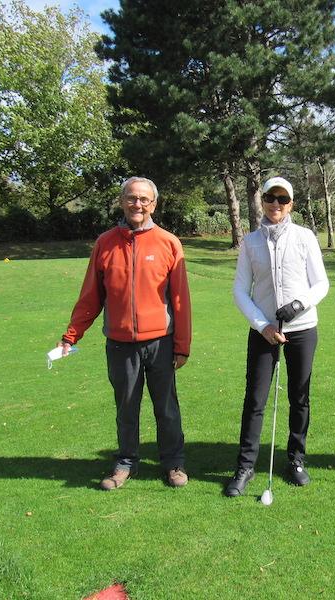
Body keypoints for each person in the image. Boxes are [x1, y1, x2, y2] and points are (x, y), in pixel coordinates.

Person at [57, 177, 192, 491]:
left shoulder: (169, 243)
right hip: (120, 344)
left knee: (167, 408)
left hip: (161, 341)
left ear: (154, 204)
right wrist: (71, 336)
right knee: (126, 407)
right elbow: (91, 296)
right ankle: (125, 463)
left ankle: (173, 463)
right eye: (132, 198)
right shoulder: (105, 242)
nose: (138, 205)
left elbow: (180, 300)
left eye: (144, 200)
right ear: (122, 202)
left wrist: (182, 345)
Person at [224, 176, 329, 497]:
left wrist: (299, 305)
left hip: (301, 329)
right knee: (254, 400)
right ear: (263, 201)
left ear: (291, 204)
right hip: (264, 331)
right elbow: (240, 290)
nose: (276, 204)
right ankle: (245, 467)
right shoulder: (251, 242)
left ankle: (296, 460)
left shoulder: (304, 237)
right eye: (270, 198)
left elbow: (321, 284)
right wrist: (262, 325)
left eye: (282, 199)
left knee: (299, 397)